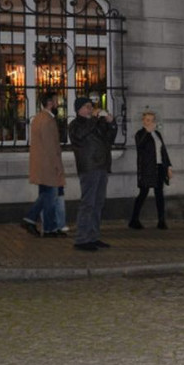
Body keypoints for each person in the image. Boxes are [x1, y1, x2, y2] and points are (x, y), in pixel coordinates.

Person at [69, 97, 117, 251]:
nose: (90, 109)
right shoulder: (75, 125)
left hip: (102, 166)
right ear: (79, 110)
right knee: (88, 204)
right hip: (89, 167)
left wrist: (111, 123)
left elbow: (109, 139)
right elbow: (80, 135)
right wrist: (95, 120)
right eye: (87, 107)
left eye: (91, 106)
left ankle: (93, 236)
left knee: (98, 204)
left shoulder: (95, 123)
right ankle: (81, 239)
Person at [24, 92, 67, 238]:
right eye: (56, 100)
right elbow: (51, 147)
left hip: (41, 164)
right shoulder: (48, 120)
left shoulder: (38, 118)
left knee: (47, 196)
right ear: (50, 102)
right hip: (48, 166)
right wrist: (57, 166)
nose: (58, 103)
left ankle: (47, 227)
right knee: (49, 196)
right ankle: (33, 220)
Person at [131, 110, 173, 230]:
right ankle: (134, 220)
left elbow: (163, 151)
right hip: (146, 168)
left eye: (152, 120)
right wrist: (147, 132)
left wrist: (169, 167)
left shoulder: (157, 134)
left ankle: (161, 221)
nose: (150, 122)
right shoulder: (140, 134)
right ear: (143, 121)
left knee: (159, 194)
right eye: (148, 120)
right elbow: (140, 146)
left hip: (159, 167)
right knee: (143, 193)